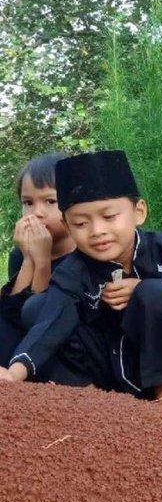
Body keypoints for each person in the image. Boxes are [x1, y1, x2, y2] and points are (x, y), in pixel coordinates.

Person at [0, 149, 162, 408]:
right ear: (69, 224)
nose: (97, 231)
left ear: (139, 212)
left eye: (109, 217)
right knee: (40, 308)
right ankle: (97, 401)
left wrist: (146, 291)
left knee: (155, 293)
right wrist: (16, 371)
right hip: (103, 362)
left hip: (154, 356)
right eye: (82, 223)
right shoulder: (74, 270)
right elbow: (50, 320)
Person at [0, 153, 75, 367]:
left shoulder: (85, 255)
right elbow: (12, 316)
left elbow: (41, 315)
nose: (37, 213)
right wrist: (28, 260)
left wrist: (43, 261)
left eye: (50, 201)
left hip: (65, 346)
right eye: (28, 202)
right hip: (21, 342)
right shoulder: (20, 253)